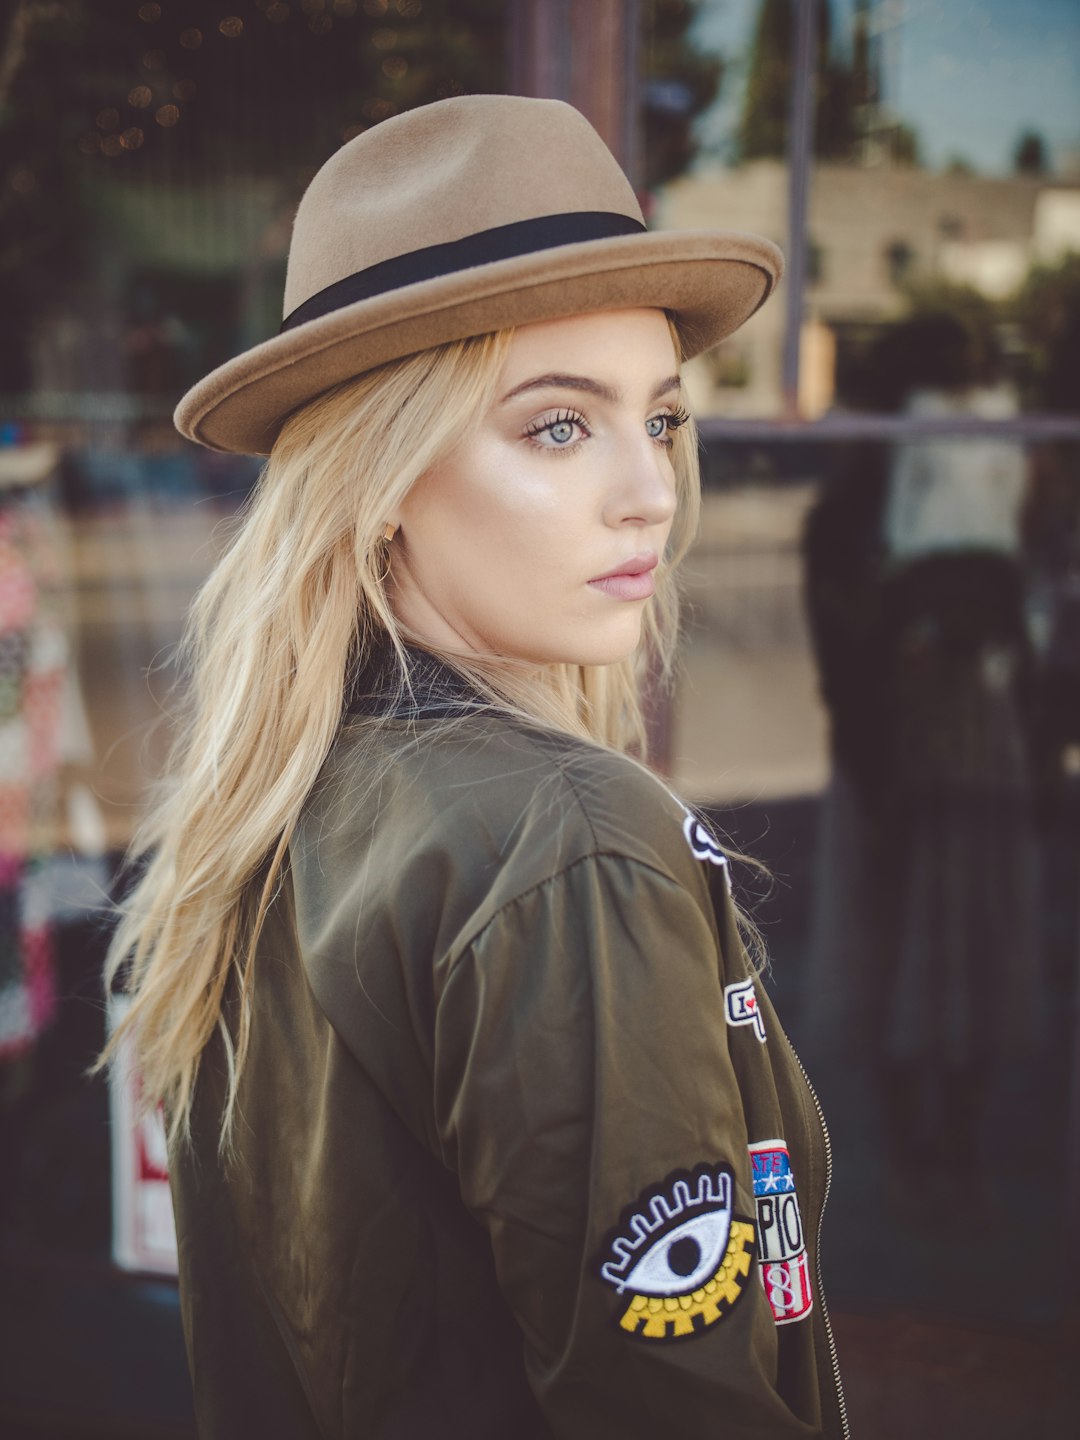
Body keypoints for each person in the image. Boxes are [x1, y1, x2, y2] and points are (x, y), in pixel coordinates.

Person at [101, 95, 848, 1438]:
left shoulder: (288, 809)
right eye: (559, 426)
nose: (651, 491)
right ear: (382, 474)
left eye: (662, 419)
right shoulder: (565, 841)